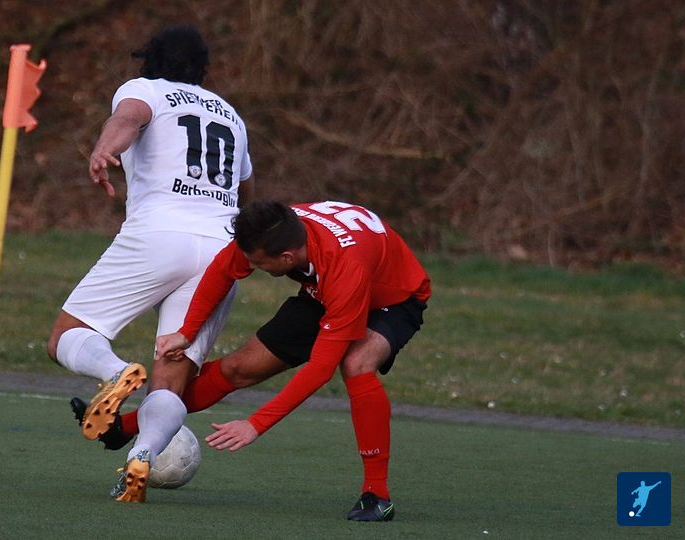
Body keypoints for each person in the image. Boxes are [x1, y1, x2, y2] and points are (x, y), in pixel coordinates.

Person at [100, 199, 430, 520]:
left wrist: (255, 424)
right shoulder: (272, 229)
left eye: (258, 263)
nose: (251, 266)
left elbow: (320, 369)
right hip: (322, 291)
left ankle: (377, 494)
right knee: (240, 368)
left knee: (356, 364)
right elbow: (221, 271)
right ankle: (122, 428)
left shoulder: (343, 267)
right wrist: (187, 332)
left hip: (394, 297)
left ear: (286, 258)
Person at [45, 25, 255, 503]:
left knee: (67, 337)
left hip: (160, 235)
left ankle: (115, 371)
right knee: (171, 376)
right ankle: (141, 456)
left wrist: (106, 148)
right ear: (202, 68)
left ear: (149, 60)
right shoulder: (231, 115)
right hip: (223, 250)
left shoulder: (147, 89)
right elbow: (246, 191)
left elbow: (130, 117)